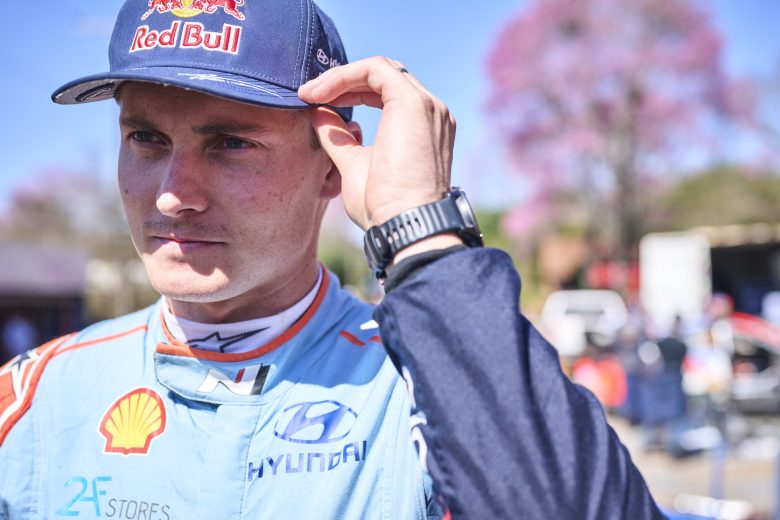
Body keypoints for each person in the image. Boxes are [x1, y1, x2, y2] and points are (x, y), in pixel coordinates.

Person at [0, 0, 664, 518]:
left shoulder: (430, 388)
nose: (174, 195)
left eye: (230, 143)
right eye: (146, 138)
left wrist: (423, 236)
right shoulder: (36, 398)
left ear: (331, 163)